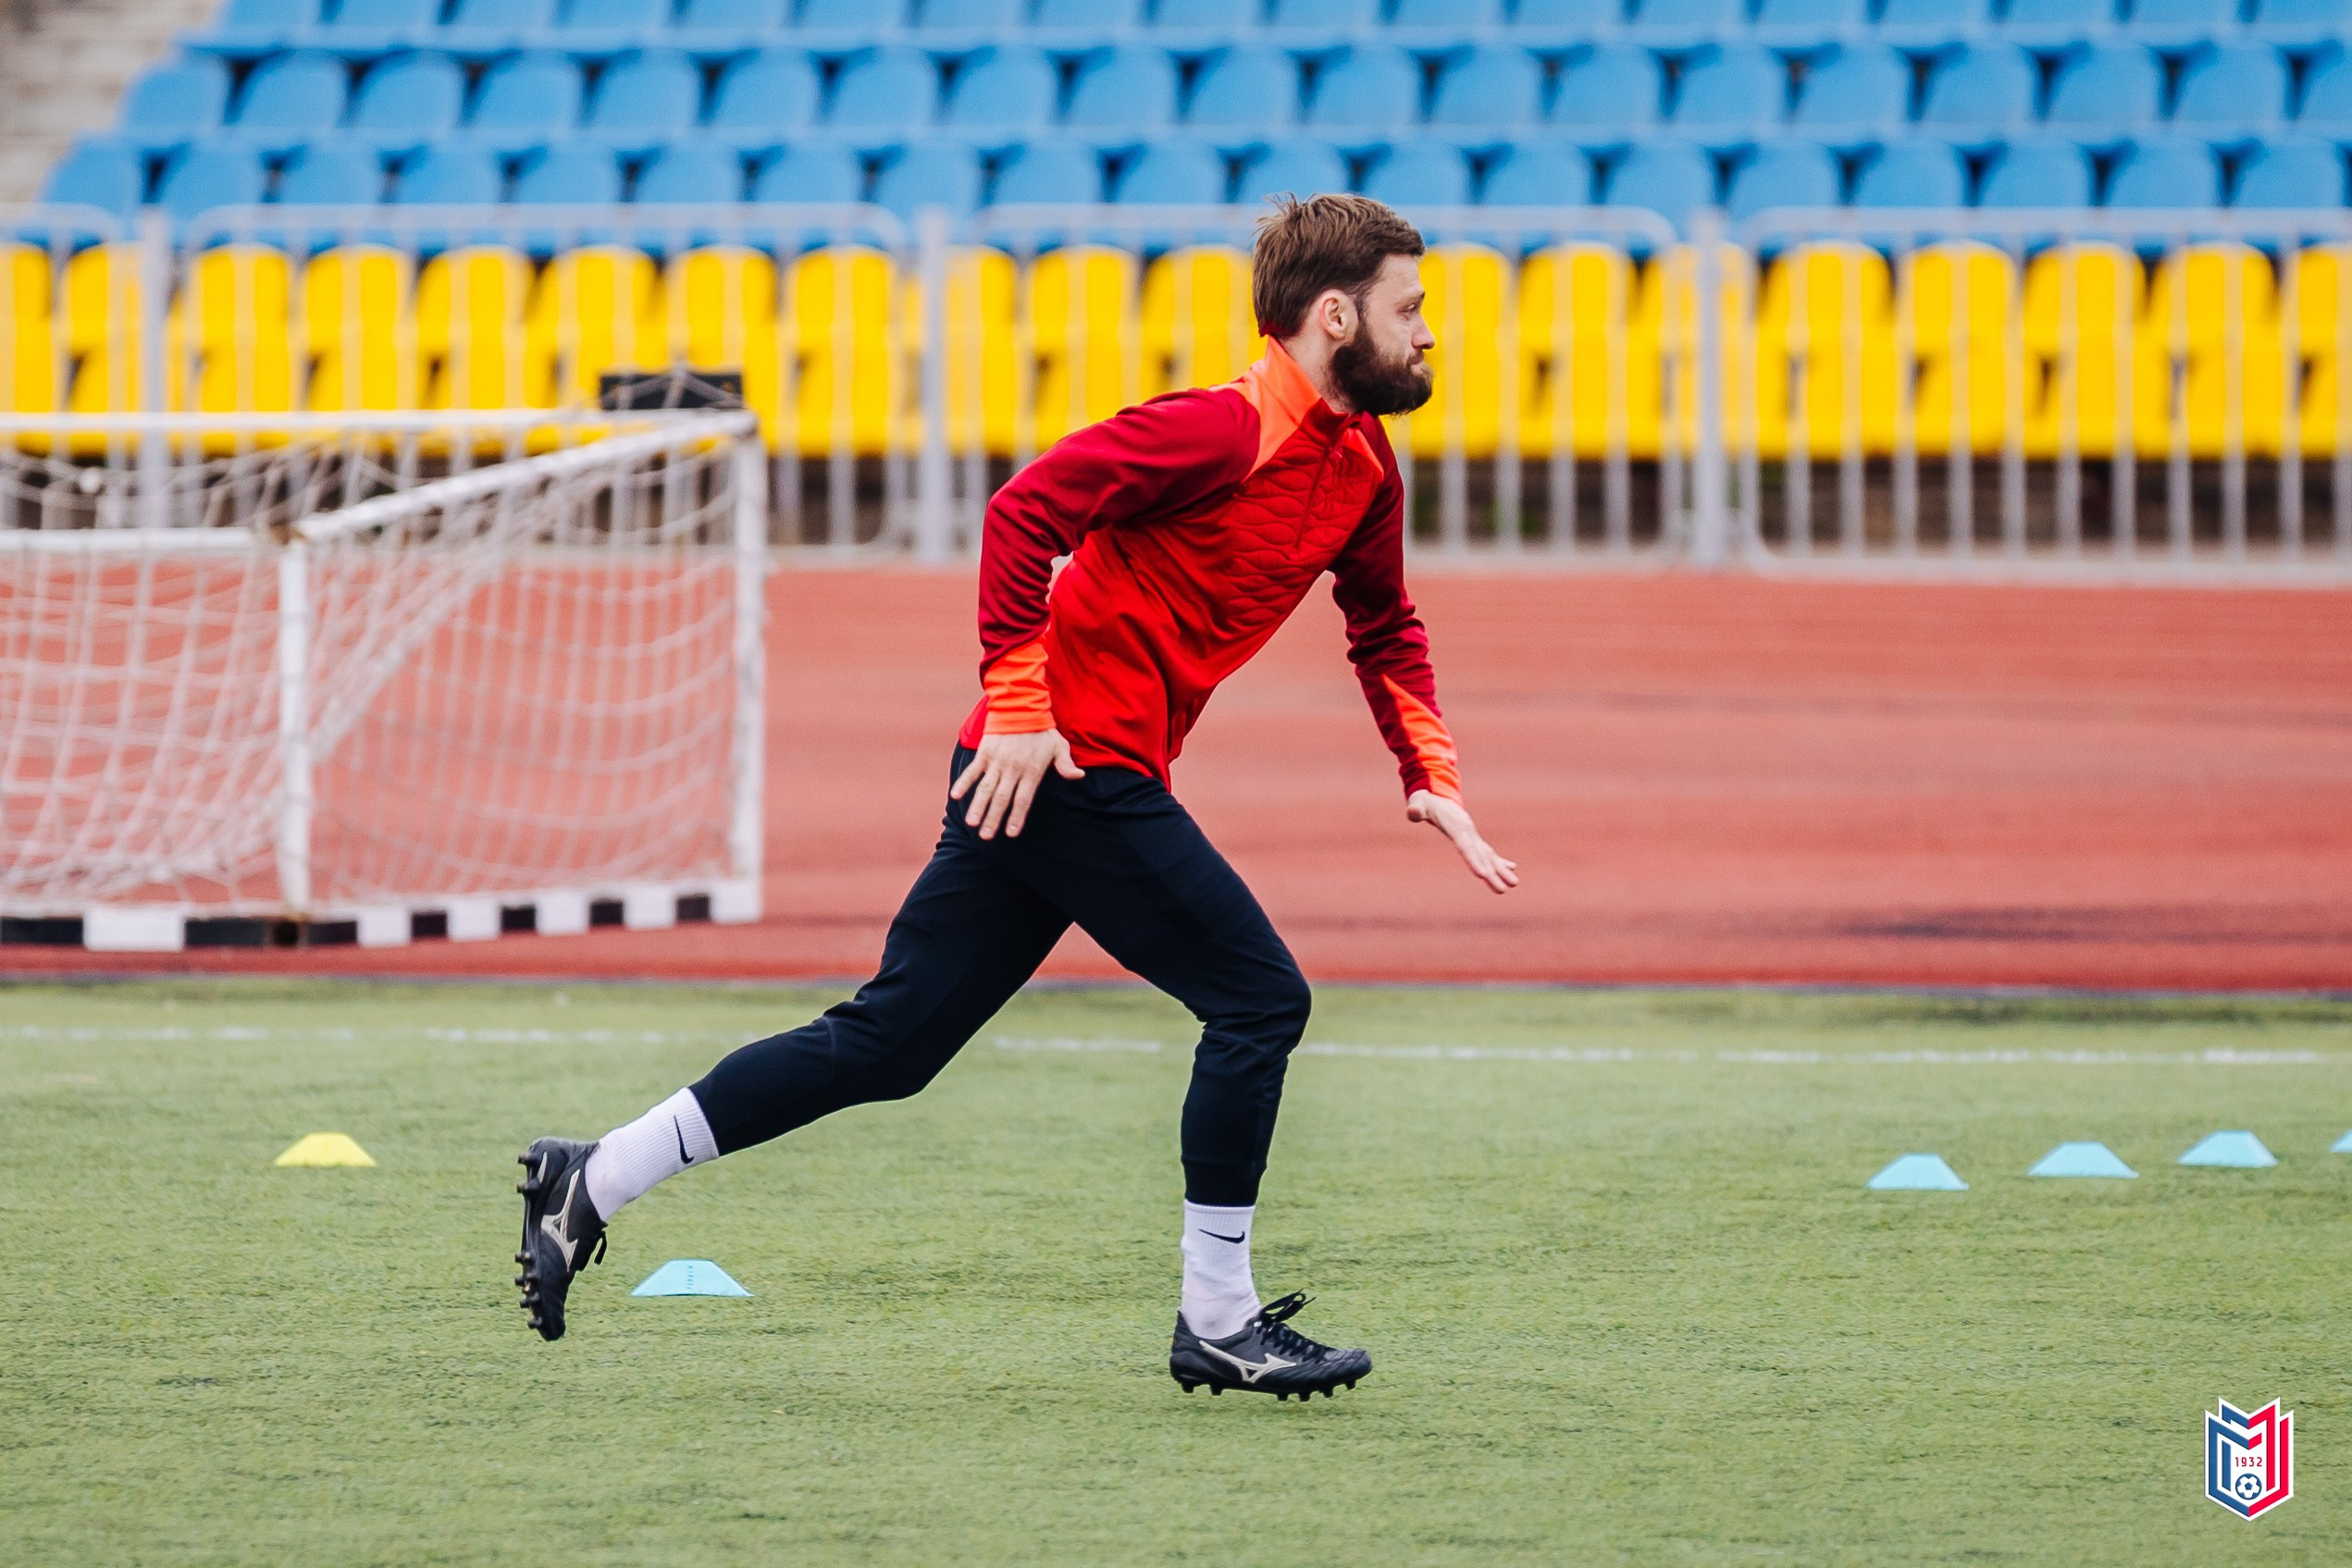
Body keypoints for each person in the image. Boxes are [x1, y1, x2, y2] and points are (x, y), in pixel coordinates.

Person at [514, 193, 1518, 1401]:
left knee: (889, 1045)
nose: (1427, 332)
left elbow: (1385, 628)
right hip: (1067, 763)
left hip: (1057, 774)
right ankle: (1218, 1321)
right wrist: (1022, 703)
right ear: (1336, 316)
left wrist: (1430, 777)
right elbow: (1023, 510)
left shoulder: (1361, 466)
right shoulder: (1215, 429)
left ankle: (593, 1178)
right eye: (1411, 308)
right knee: (1259, 1000)